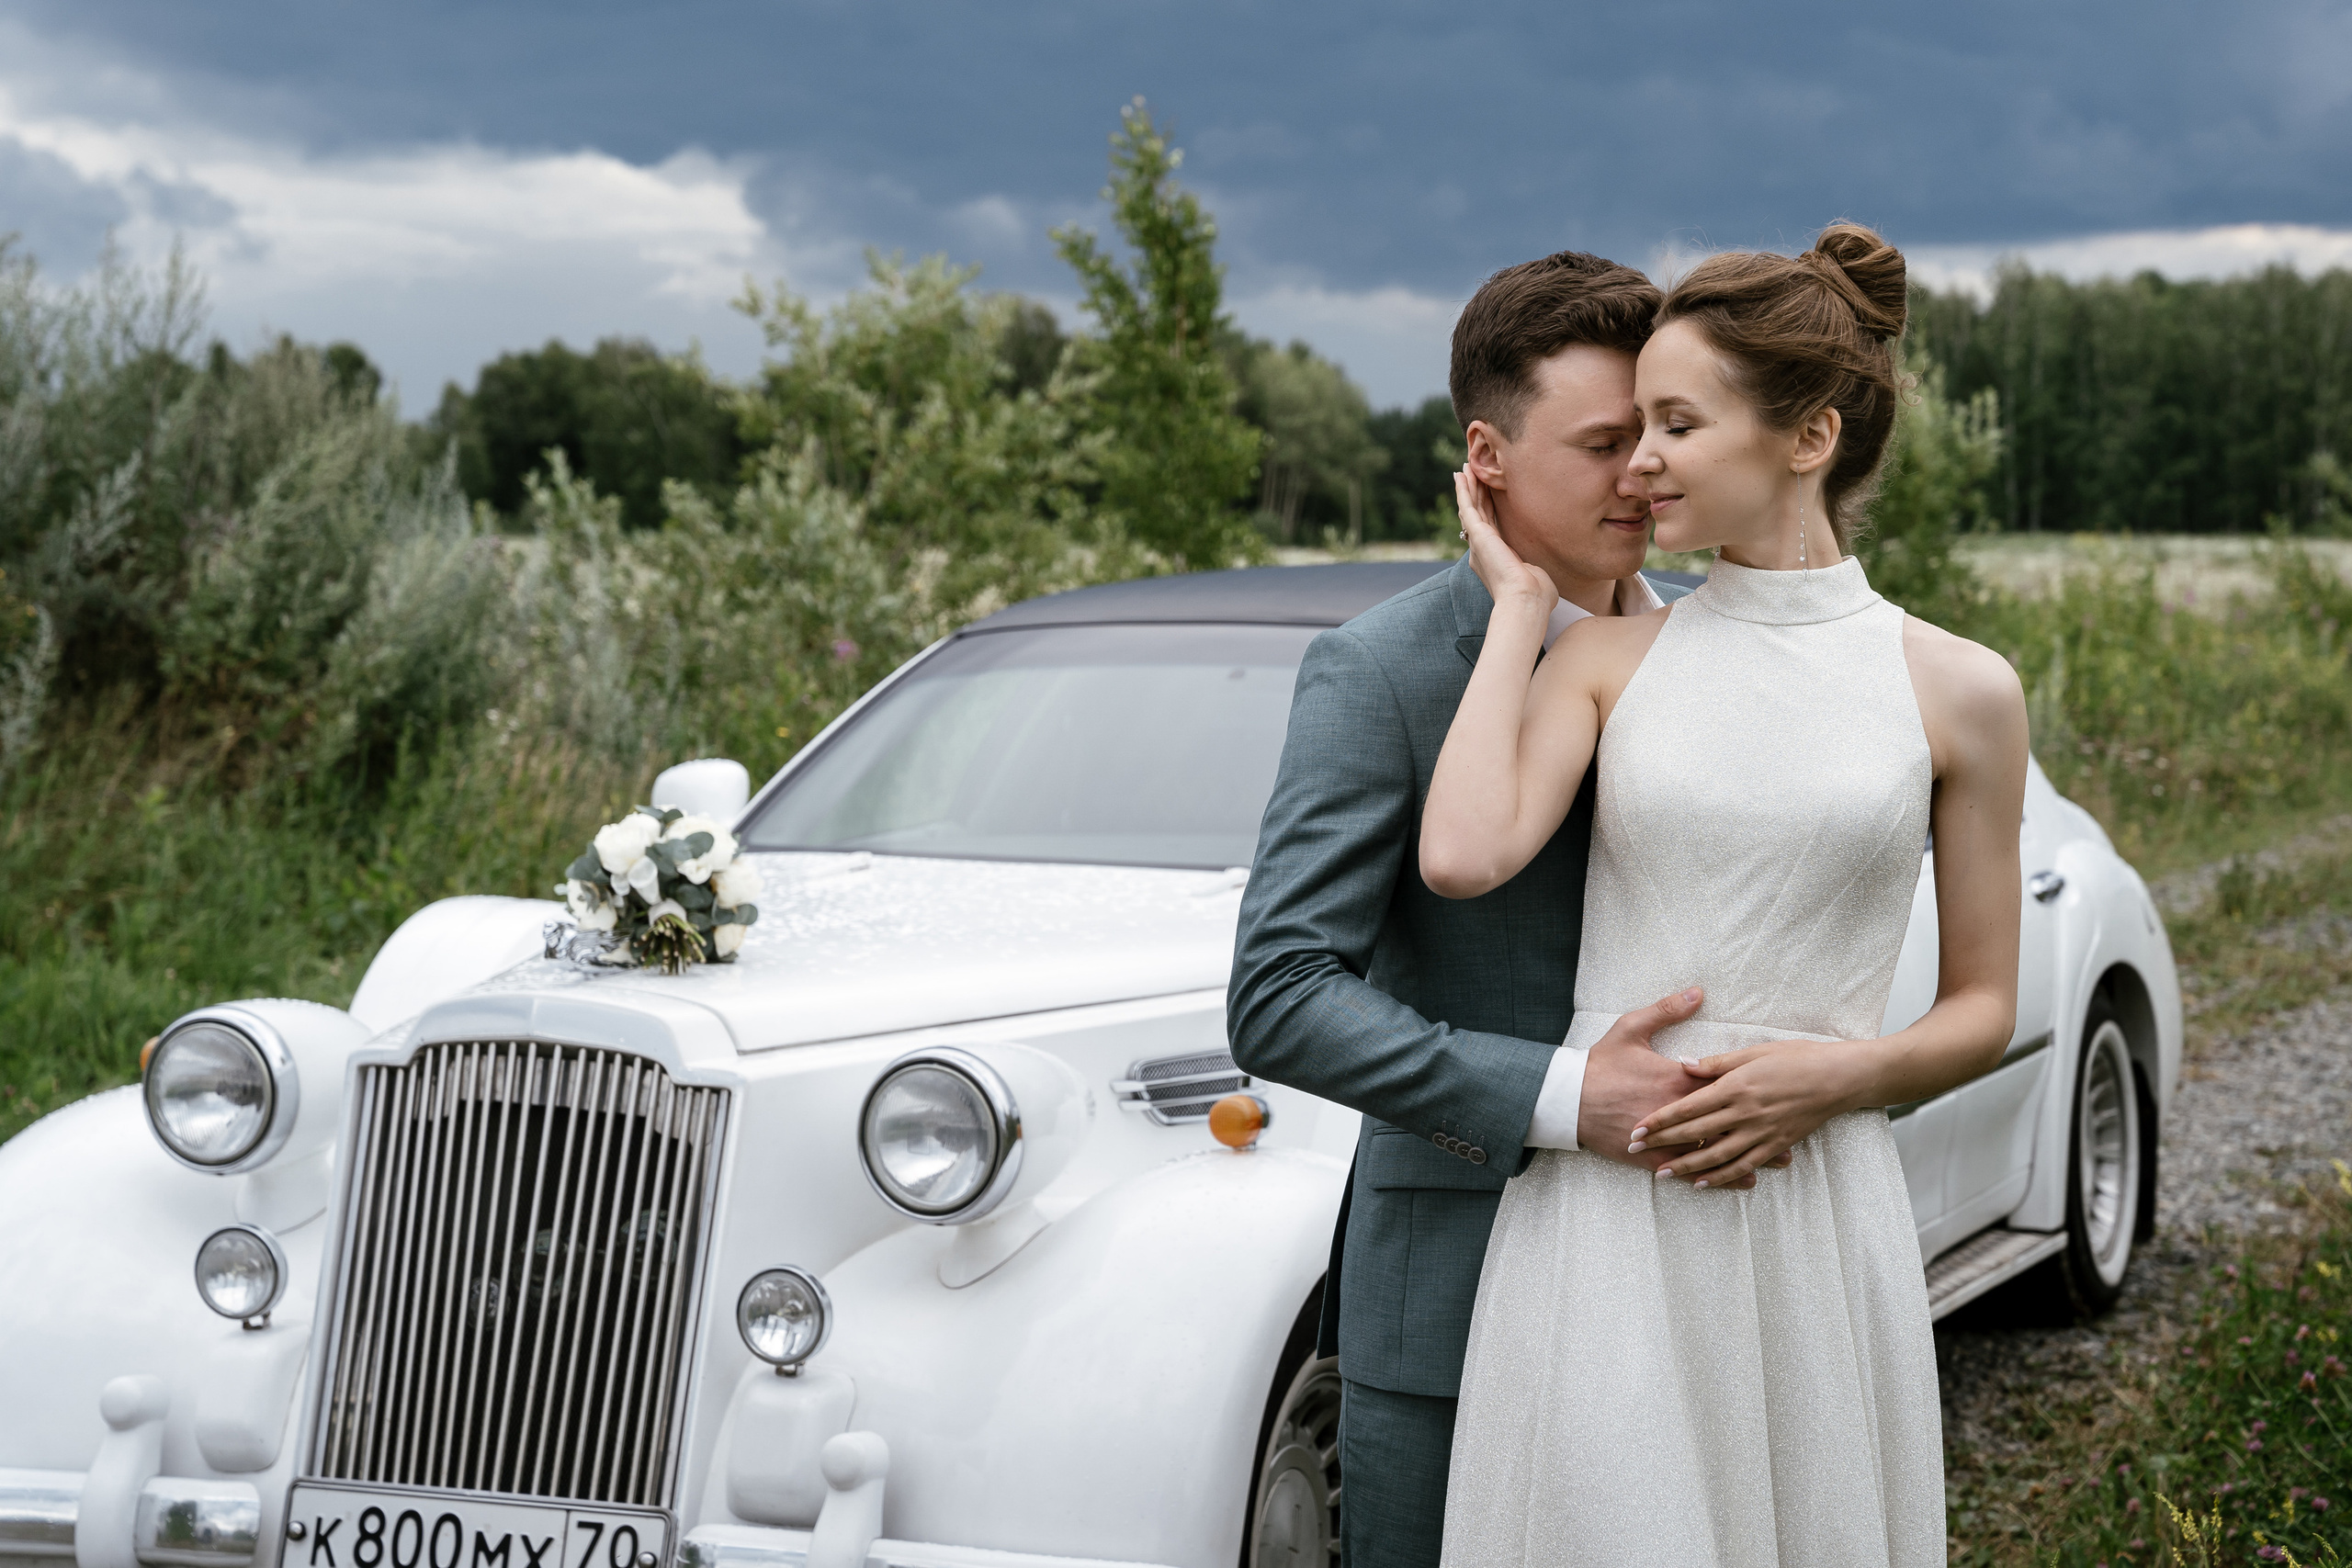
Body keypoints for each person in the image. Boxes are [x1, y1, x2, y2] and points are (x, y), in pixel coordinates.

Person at [1426, 223, 2027, 1565]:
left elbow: (1984, 1005)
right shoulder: (1607, 663)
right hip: (1610, 1204)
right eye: (1635, 423)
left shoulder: (1960, 690)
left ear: (1806, 438)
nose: (1639, 461)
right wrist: (1523, 602)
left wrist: (1831, 1079)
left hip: (1814, 1202)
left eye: (1677, 424)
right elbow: (1462, 855)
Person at [1228, 251, 1787, 1566]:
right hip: (1458, 1297)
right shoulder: (1376, 675)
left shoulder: (1726, 650)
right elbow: (1280, 995)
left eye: (1658, 433)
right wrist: (1559, 1094)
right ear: (1487, 454)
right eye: (1602, 443)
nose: (1644, 472)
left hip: (1706, 1257)